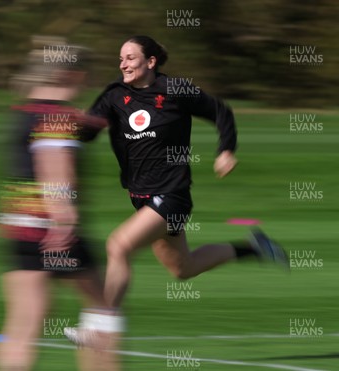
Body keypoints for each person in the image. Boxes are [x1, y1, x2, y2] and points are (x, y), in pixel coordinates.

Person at [65, 35, 288, 345]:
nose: (123, 64)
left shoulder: (175, 90)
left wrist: (226, 150)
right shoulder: (114, 94)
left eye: (130, 57)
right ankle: (255, 248)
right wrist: (73, 125)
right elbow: (89, 132)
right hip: (141, 198)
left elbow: (220, 111)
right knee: (183, 269)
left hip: (172, 196)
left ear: (151, 62)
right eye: (121, 59)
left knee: (119, 246)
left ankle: (101, 326)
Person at [0, 36, 117, 370]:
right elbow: (54, 161)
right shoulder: (57, 117)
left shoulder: (24, 113)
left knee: (23, 325)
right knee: (103, 310)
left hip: (17, 228)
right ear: (70, 76)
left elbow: (83, 127)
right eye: (85, 74)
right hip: (52, 229)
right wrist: (63, 216)